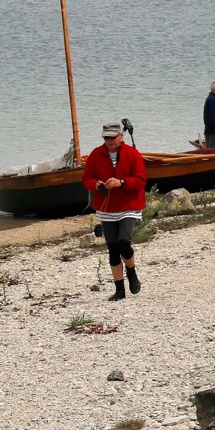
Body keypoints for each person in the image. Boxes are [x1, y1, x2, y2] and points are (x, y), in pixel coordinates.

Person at [81, 122, 147, 302]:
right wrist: (96, 185)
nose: (109, 141)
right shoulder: (96, 154)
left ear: (121, 136)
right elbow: (87, 178)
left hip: (129, 206)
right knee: (112, 249)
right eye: (106, 137)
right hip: (106, 207)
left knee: (123, 243)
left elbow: (141, 180)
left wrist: (122, 183)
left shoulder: (132, 154)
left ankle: (131, 271)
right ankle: (119, 290)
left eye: (112, 137)